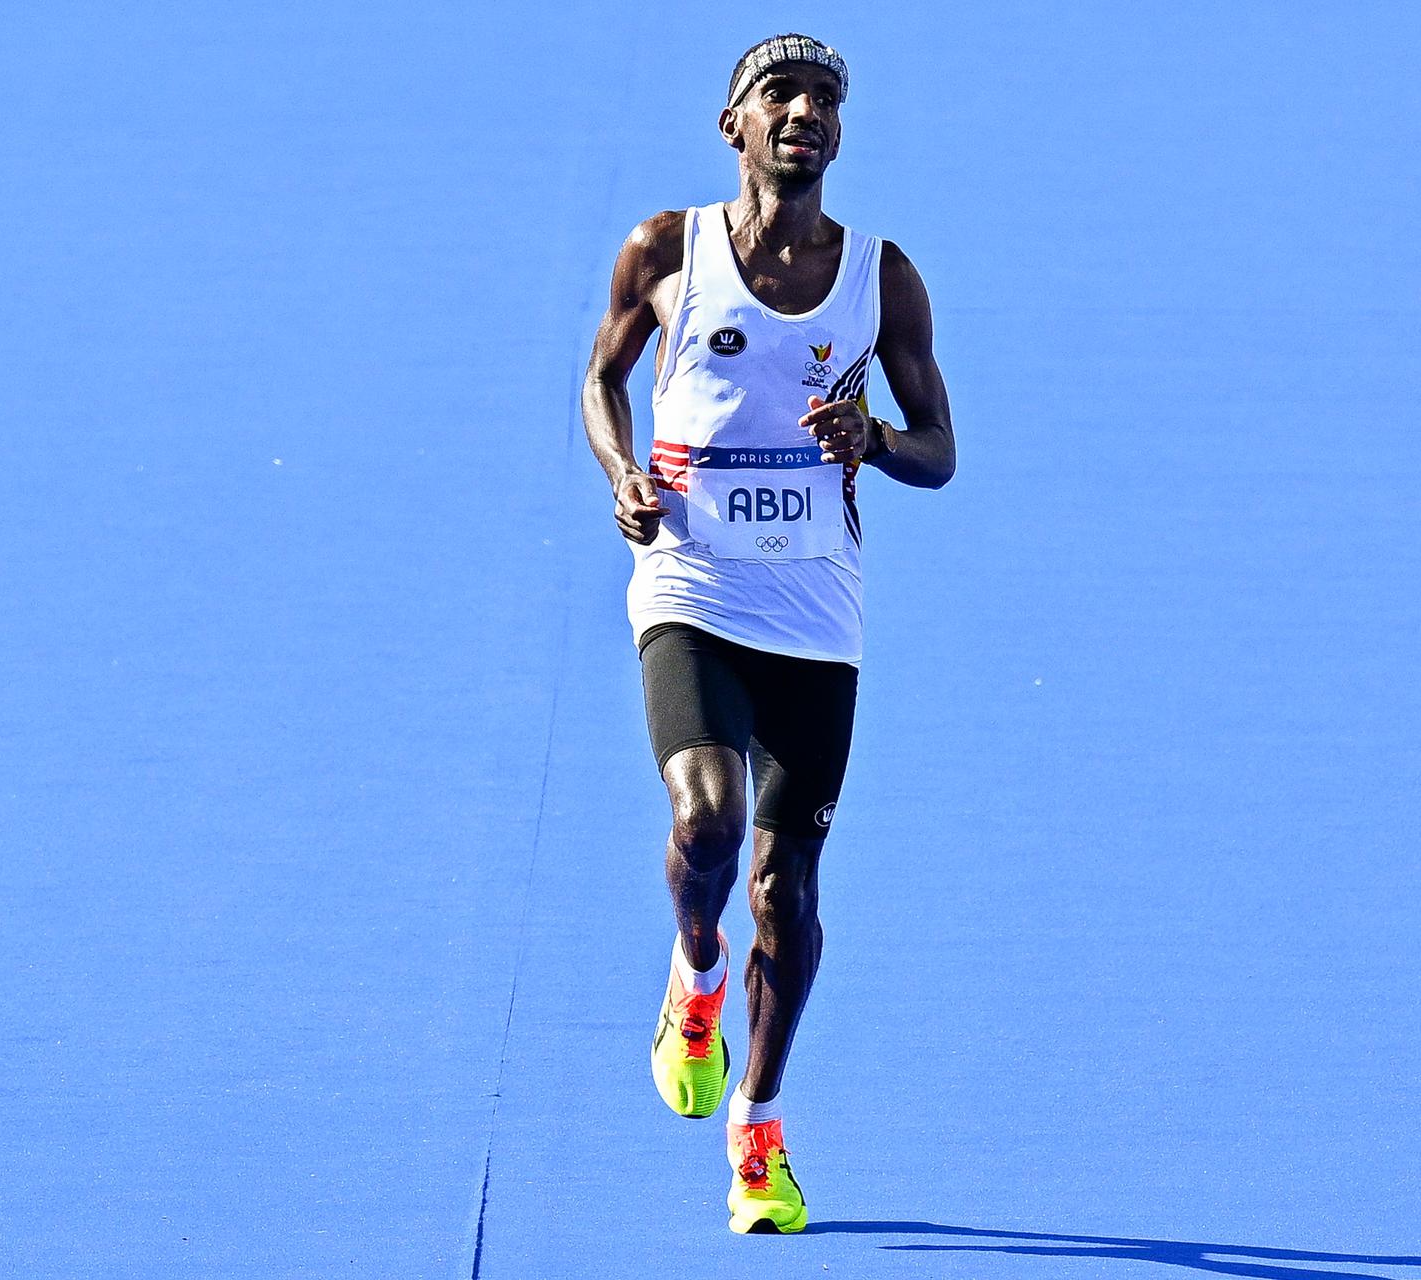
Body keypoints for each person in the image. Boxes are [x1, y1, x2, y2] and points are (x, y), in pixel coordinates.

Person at [581, 32, 956, 1235]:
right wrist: (622, 471)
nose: (805, 111)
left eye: (826, 100)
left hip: (813, 611)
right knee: (705, 818)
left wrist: (876, 443)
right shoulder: (665, 248)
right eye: (779, 95)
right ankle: (695, 979)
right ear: (733, 124)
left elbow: (941, 449)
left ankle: (759, 1127)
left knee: (785, 888)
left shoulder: (881, 278)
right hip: (690, 582)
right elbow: (600, 380)